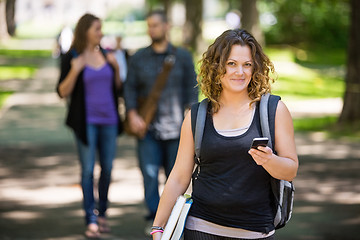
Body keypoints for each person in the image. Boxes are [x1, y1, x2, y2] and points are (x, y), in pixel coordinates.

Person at [151, 29, 299, 240]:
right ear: (216, 67)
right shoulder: (197, 115)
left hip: (256, 232)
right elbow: (179, 177)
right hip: (201, 228)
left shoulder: (274, 111)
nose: (240, 72)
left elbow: (290, 170)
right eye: (231, 64)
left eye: (247, 64)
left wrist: (269, 160)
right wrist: (158, 227)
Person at [123, 9, 198, 229]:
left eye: (155, 25)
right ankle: (155, 220)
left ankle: (173, 220)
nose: (151, 29)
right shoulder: (138, 57)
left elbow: (192, 88)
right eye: (149, 25)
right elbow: (129, 89)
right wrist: (132, 114)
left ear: (166, 27)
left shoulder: (182, 56)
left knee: (176, 177)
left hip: (177, 129)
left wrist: (190, 113)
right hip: (147, 129)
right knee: (149, 175)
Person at [56, 13, 123, 238]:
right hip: (86, 122)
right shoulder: (71, 57)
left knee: (108, 169)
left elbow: (118, 89)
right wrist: (76, 69)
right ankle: (91, 219)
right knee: (87, 171)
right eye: (96, 29)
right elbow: (62, 91)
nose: (100, 33)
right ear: (84, 31)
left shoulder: (107, 55)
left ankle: (102, 213)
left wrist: (115, 70)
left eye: (101, 29)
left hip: (110, 120)